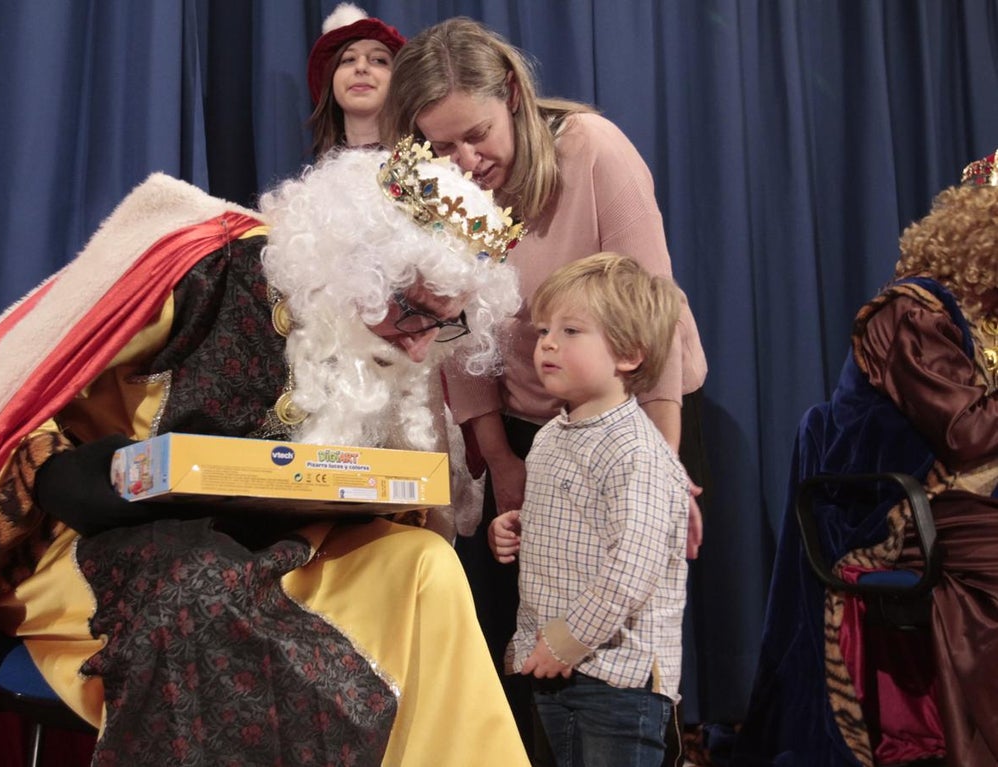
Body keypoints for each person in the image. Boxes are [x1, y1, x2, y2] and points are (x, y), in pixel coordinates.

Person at [0, 139, 532, 767]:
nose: (419, 346)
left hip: (277, 546)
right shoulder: (203, 268)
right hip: (101, 540)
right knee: (204, 594)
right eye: (412, 311)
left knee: (424, 565)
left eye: (444, 323)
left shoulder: (385, 344)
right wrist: (56, 472)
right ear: (355, 268)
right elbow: (10, 378)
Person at [385, 16, 708, 760]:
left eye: (476, 135)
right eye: (440, 147)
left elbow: (652, 317)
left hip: (639, 415)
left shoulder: (594, 151)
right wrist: (500, 460)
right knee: (531, 642)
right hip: (532, 430)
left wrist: (661, 470)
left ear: (512, 95)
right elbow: (458, 342)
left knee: (623, 635)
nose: (465, 162)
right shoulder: (434, 191)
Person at [733, 149, 998, 767]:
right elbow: (966, 434)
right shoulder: (913, 313)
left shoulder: (984, 321)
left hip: (965, 506)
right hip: (900, 515)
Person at [488, 252, 690, 767]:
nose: (548, 343)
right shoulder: (551, 437)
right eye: (543, 330)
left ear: (629, 354)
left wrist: (566, 642)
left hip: (617, 682)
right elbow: (574, 524)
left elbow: (631, 570)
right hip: (553, 667)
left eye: (571, 331)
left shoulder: (637, 452)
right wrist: (517, 528)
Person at [306, 3, 405, 157]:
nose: (361, 67)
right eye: (348, 59)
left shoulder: (425, 168)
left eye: (378, 60)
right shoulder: (318, 173)